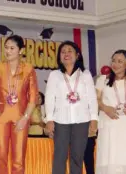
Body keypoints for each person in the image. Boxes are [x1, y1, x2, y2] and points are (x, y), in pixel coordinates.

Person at [0, 35, 38, 174]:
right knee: (0, 157)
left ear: (20, 50)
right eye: (6, 48)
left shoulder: (28, 69)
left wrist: (25, 118)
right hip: (0, 117)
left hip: (20, 118)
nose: (8, 51)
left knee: (18, 160)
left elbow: (33, 97)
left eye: (12, 48)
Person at [44, 40, 98, 174]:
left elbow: (91, 97)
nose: (66, 54)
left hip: (82, 120)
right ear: (59, 57)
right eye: (63, 52)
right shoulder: (54, 75)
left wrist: (94, 118)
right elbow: (49, 97)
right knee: (59, 157)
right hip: (60, 121)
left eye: (69, 51)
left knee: (77, 157)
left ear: (77, 55)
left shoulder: (86, 75)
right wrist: (49, 119)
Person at [95, 50, 126, 174]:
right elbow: (95, 100)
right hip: (109, 124)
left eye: (120, 61)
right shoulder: (102, 80)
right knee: (109, 158)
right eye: (113, 60)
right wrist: (104, 108)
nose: (115, 64)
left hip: (125, 126)